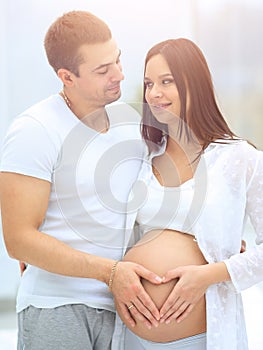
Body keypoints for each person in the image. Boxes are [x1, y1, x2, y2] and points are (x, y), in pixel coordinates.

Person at [0, 11, 164, 350]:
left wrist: (212, 242)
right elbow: (18, 240)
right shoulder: (35, 129)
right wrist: (109, 272)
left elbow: (153, 204)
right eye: (102, 70)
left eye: (117, 60)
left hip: (124, 310)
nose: (118, 74)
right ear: (66, 77)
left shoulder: (131, 128)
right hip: (57, 309)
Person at [112, 38, 263, 350]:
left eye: (167, 81)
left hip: (201, 338)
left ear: (195, 84)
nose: (154, 93)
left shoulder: (239, 158)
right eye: (148, 83)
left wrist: (209, 275)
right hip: (132, 338)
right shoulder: (142, 157)